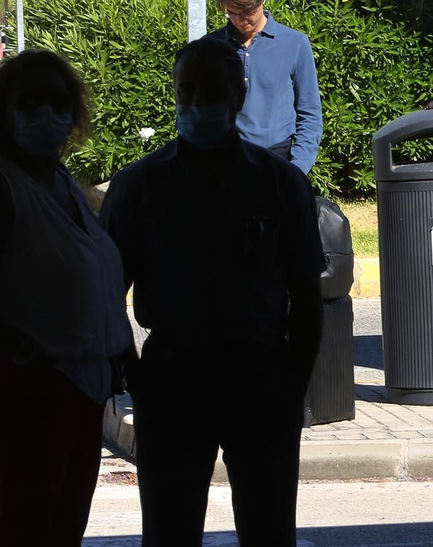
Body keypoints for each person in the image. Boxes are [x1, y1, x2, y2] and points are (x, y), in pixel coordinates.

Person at [101, 35, 325, 547]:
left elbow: (306, 294)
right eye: (188, 92)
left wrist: (294, 382)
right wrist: (134, 374)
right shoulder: (139, 186)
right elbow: (106, 291)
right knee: (169, 531)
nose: (199, 105)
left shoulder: (280, 184)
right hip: (173, 379)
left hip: (261, 377)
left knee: (269, 532)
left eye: (212, 92)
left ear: (239, 95)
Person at [0, 50, 132, 547]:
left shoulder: (61, 182)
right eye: (32, 103)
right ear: (6, 114)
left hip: (77, 387)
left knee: (60, 530)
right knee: (23, 531)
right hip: (22, 389)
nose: (48, 115)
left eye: (59, 102)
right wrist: (22, 348)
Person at [207, 0, 323, 173]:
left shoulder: (295, 43)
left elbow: (310, 114)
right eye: (232, 13)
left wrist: (297, 169)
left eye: (248, 12)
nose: (241, 20)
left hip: (278, 160)